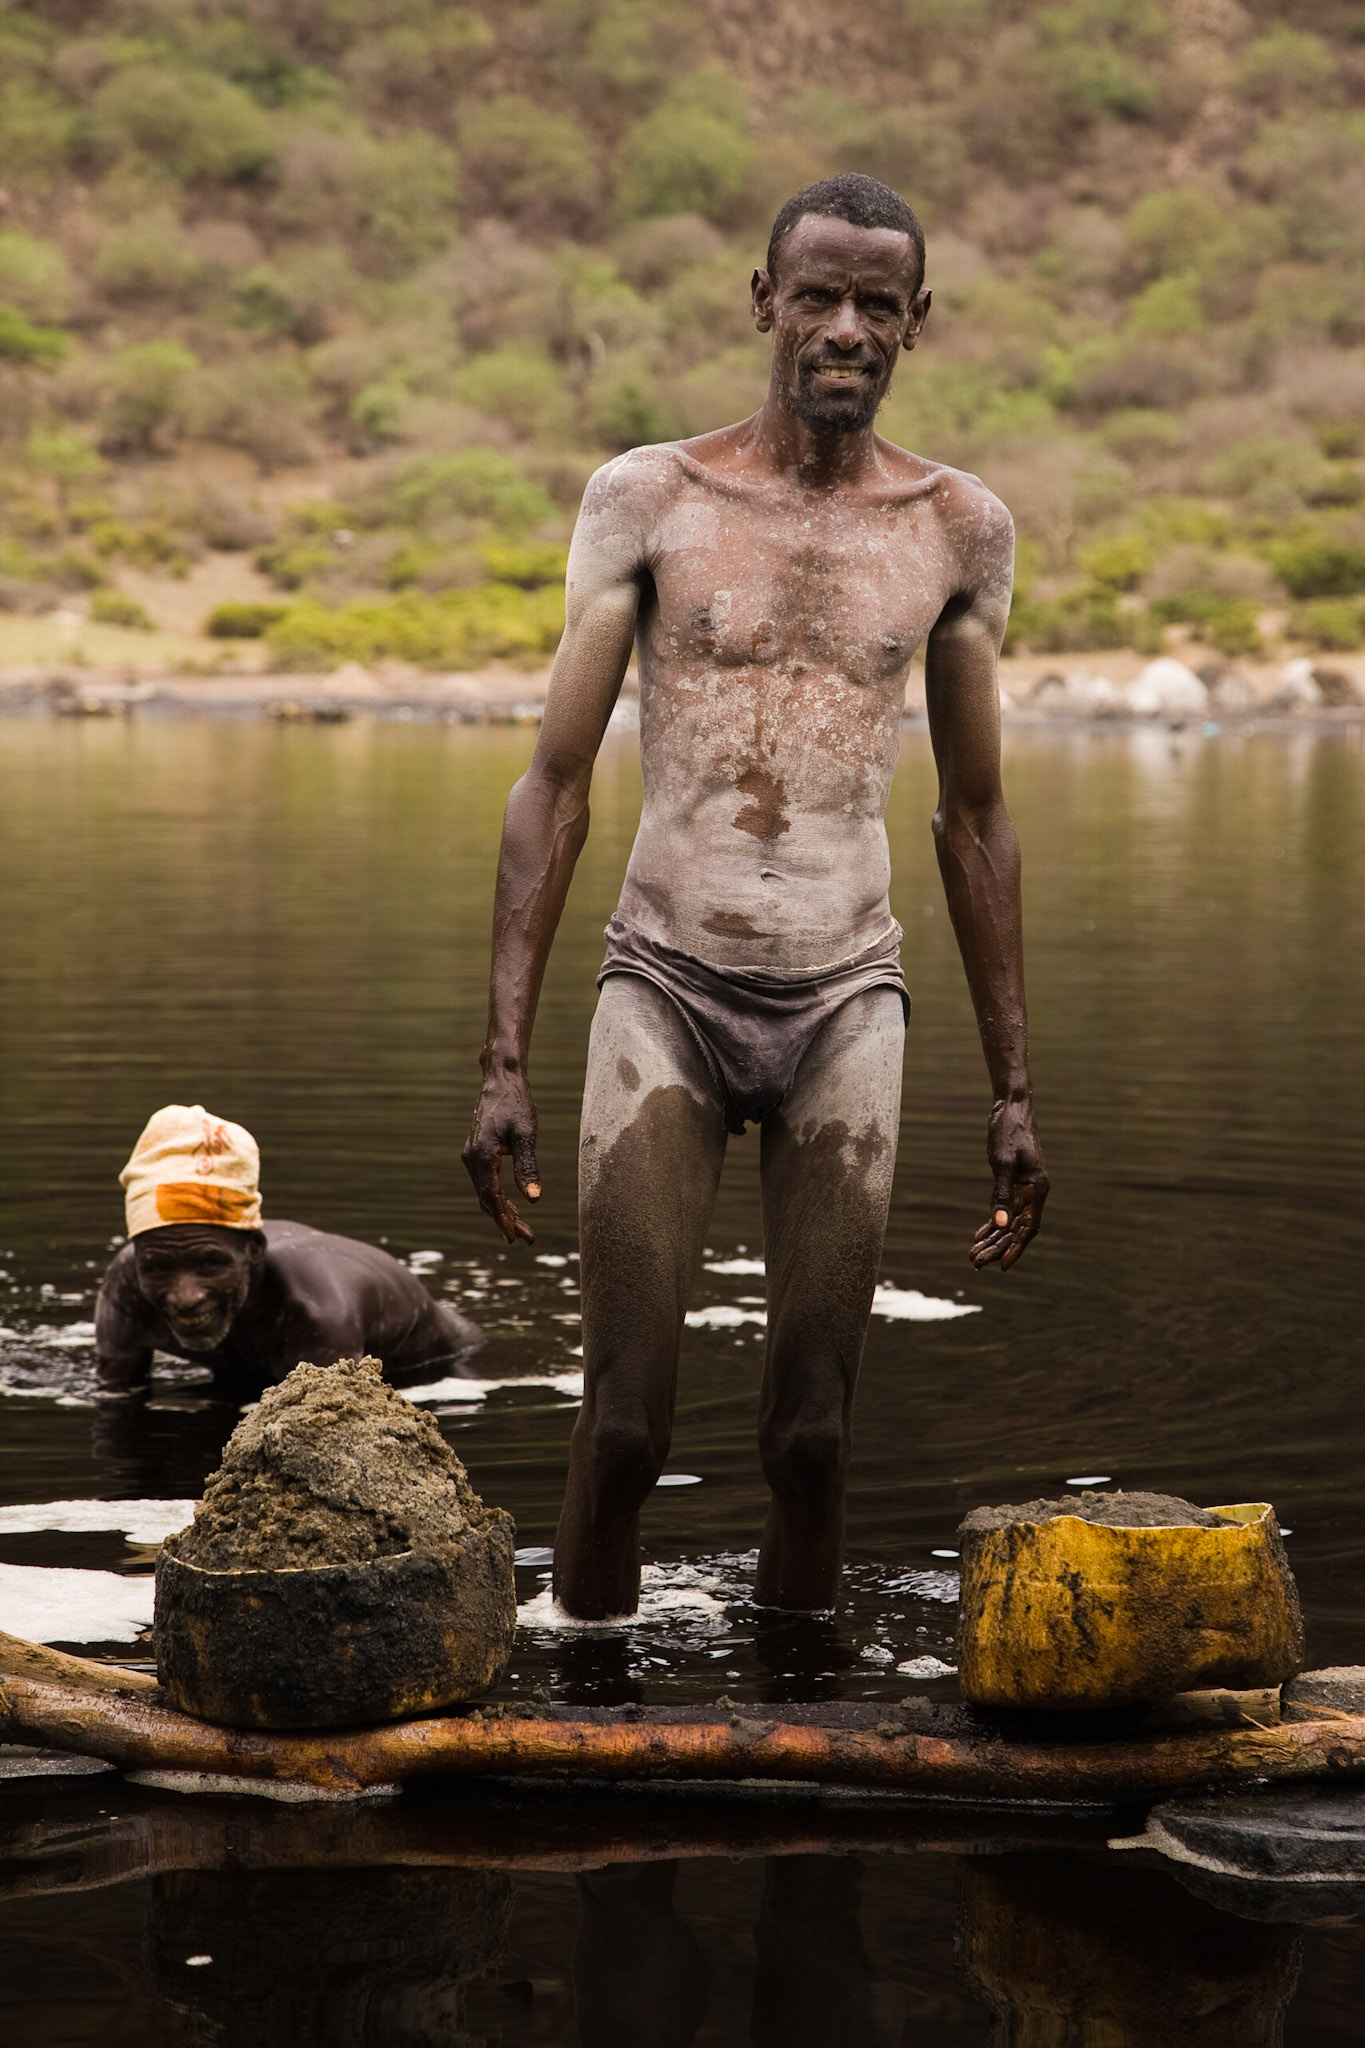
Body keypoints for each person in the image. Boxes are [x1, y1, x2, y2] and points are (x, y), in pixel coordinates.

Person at [463, 173, 1048, 1621]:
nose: (845, 328)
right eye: (818, 297)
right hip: (663, 980)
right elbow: (553, 786)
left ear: (917, 322)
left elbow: (972, 816)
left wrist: (1014, 1090)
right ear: (764, 302)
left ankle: (799, 1709)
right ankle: (586, 1717)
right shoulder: (650, 498)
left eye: (877, 305)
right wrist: (500, 1059)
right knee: (619, 1426)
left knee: (811, 1433)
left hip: (847, 994)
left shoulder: (958, 529)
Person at [96, 1103, 481, 1395]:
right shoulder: (126, 1286)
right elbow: (117, 1403)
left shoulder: (316, 1313)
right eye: (157, 1268)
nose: (185, 1297)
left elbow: (332, 1437)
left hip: (436, 1370)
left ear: (254, 1250)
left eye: (210, 1264)